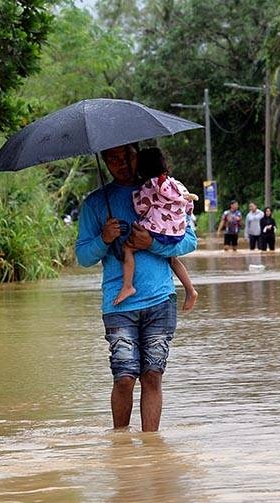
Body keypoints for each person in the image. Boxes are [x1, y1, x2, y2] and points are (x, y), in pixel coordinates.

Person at [75, 143, 198, 432]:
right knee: (124, 376)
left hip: (160, 300)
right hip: (119, 304)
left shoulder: (164, 191)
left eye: (127, 156)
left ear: (137, 155)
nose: (122, 164)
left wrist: (151, 243)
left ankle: (149, 447)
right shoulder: (95, 204)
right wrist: (104, 238)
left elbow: (190, 240)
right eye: (113, 159)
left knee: (153, 375)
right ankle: (120, 441)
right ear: (105, 162)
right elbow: (82, 257)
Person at [114, 147, 198, 312]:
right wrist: (180, 218)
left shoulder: (149, 186)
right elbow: (188, 204)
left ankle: (128, 286)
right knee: (172, 259)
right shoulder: (177, 184)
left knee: (128, 248)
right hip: (177, 230)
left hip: (158, 229)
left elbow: (140, 208)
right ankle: (190, 289)